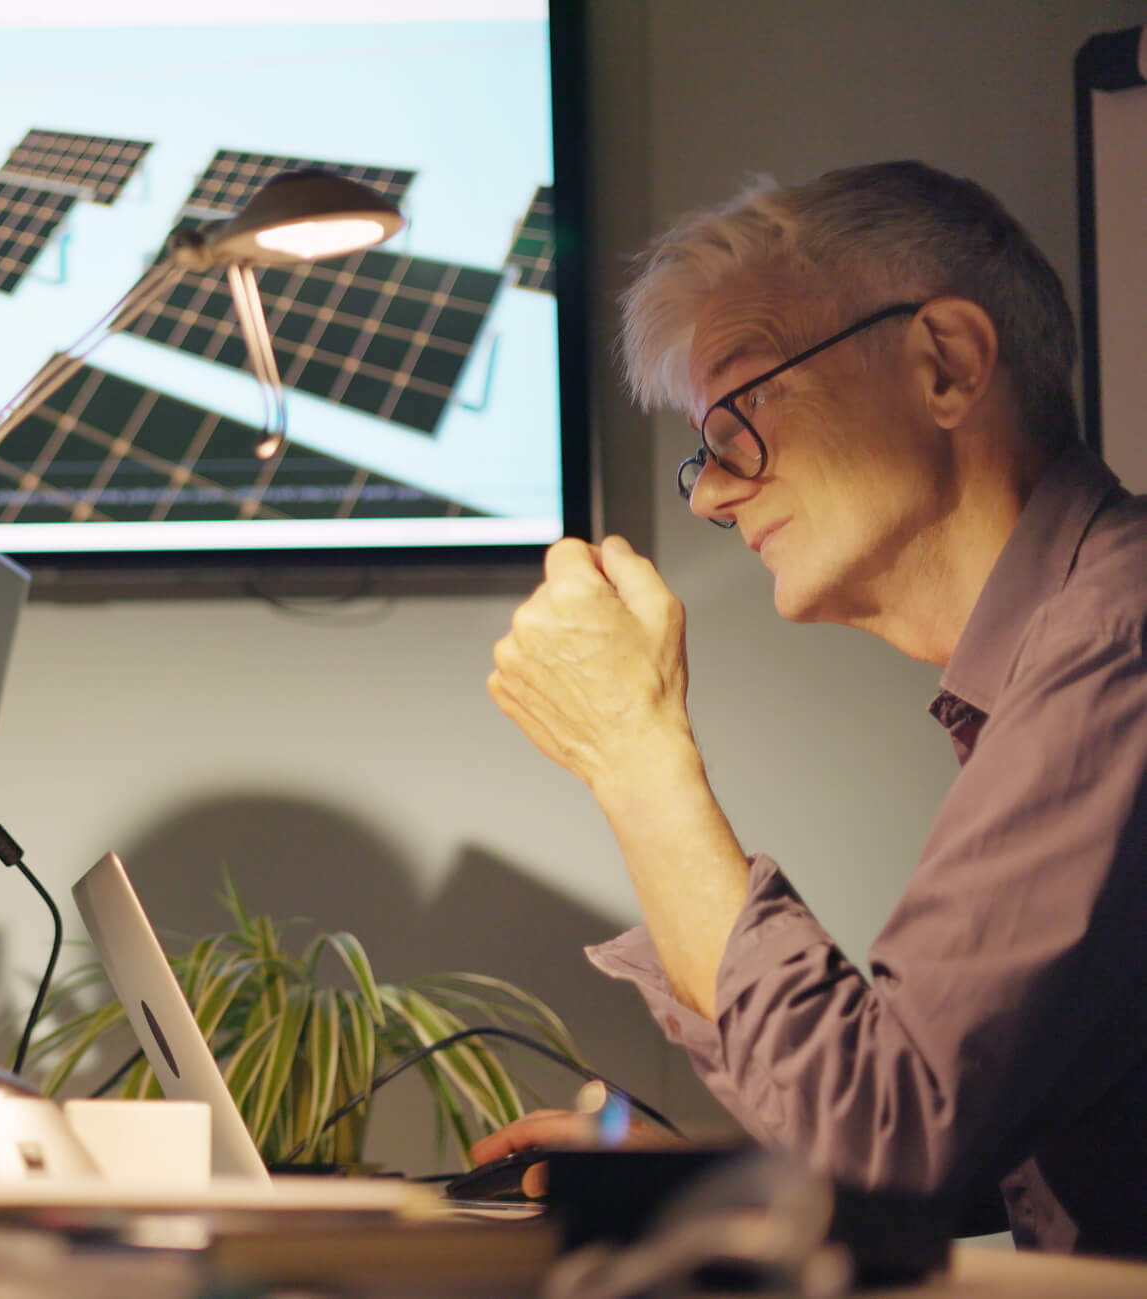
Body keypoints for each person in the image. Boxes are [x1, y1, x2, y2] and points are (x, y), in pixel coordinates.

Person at [471, 160, 1147, 1256]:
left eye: (740, 414)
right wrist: (725, 1182)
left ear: (944, 365)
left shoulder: (1115, 641)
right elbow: (1000, 1143)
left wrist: (637, 755)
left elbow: (896, 1147)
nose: (710, 491)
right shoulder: (1075, 643)